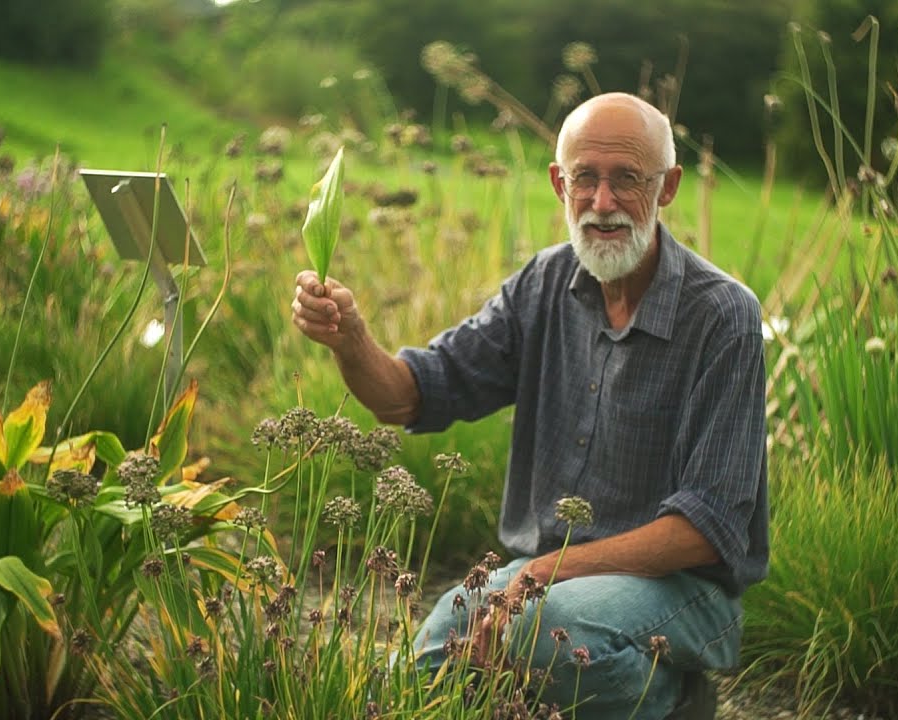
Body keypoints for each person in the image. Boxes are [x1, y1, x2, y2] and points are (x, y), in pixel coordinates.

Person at [291, 92, 769, 720]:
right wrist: (350, 338)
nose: (602, 204)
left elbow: (708, 528)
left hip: (680, 594)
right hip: (549, 582)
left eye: (627, 179)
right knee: (425, 666)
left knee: (546, 633)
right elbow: (410, 395)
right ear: (557, 182)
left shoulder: (722, 315)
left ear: (669, 186)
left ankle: (674, 694)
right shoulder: (542, 284)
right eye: (585, 179)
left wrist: (543, 573)